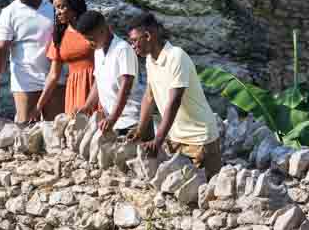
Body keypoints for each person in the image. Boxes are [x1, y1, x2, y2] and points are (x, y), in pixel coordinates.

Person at [129, 13, 222, 177]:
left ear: (148, 36)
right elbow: (149, 96)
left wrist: (158, 139)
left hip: (198, 140)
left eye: (135, 40)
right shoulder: (151, 60)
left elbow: (174, 101)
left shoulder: (176, 56)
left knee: (203, 194)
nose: (133, 46)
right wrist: (139, 130)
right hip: (175, 138)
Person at [0, 0, 54, 122]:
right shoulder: (9, 12)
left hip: (56, 76)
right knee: (25, 126)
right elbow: (0, 48)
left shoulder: (54, 3)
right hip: (25, 79)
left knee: (55, 126)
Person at [74, 9, 143, 134]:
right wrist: (87, 107)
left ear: (103, 30)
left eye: (91, 38)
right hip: (112, 120)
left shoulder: (123, 50)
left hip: (130, 121)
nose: (89, 43)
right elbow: (98, 82)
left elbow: (125, 87)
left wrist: (112, 118)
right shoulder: (98, 51)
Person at [33, 0, 92, 123]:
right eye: (55, 9)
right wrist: (38, 106)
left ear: (74, 6)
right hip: (74, 89)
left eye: (62, 7)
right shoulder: (59, 35)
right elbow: (53, 75)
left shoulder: (93, 27)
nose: (58, 12)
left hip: (96, 85)